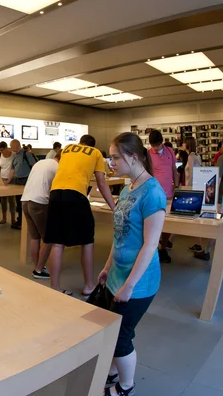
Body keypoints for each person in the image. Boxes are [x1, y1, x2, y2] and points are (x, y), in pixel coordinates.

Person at [100, 132, 165, 396]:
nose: (111, 163)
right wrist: (106, 267)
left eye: (115, 157)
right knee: (112, 329)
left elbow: (150, 245)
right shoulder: (128, 188)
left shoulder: (153, 194)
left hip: (137, 283)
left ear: (133, 157)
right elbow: (120, 235)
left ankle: (126, 387)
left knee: (121, 336)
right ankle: (114, 371)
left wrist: (129, 285)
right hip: (117, 274)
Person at [45, 134, 116, 296]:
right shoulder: (96, 153)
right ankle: (89, 286)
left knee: (57, 242)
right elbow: (101, 182)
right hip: (76, 194)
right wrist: (113, 206)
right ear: (93, 145)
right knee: (87, 241)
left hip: (55, 193)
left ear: (80, 143)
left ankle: (54, 287)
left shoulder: (68, 149)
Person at [22, 150, 61, 279]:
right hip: (39, 203)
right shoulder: (58, 167)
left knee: (35, 237)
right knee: (49, 238)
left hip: (26, 200)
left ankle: (38, 265)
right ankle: (39, 269)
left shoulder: (41, 163)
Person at [147, 130, 178, 264]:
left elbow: (174, 170)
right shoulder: (148, 154)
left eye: (157, 145)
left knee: (168, 223)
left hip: (169, 193)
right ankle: (151, 249)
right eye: (153, 145)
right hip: (153, 194)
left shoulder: (170, 151)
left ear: (162, 142)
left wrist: (177, 186)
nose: (155, 148)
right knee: (152, 222)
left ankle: (163, 248)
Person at [9, 139, 36, 229]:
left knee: (25, 202)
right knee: (18, 202)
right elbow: (13, 169)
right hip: (17, 181)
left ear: (16, 145)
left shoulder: (27, 154)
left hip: (26, 180)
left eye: (11, 146)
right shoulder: (15, 156)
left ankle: (25, 222)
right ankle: (20, 220)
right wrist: (8, 181)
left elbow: (34, 166)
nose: (10, 148)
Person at [0, 141, 16, 226]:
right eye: (0, 150)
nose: (1, 151)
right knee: (3, 200)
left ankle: (13, 219)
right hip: (2, 178)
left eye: (2, 150)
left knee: (11, 200)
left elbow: (15, 167)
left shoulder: (14, 155)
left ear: (6, 148)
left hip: (12, 179)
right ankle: (4, 217)